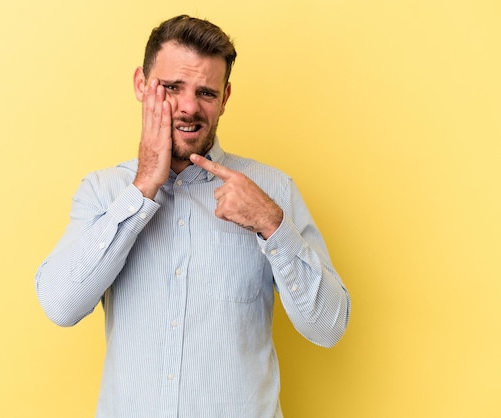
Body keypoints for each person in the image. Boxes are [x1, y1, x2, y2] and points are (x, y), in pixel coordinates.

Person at [36, 14, 351, 418]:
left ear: (225, 97)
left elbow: (329, 327)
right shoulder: (103, 192)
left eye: (206, 92)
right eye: (171, 88)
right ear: (141, 85)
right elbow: (60, 306)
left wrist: (272, 225)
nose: (188, 107)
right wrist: (143, 187)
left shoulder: (273, 190)